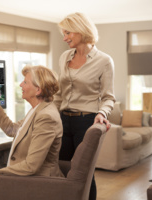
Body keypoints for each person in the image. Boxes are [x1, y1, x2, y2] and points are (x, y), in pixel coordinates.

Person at [0, 65, 64, 200]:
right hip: (27, 177)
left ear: (38, 90)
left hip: (39, 183)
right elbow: (12, 129)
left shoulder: (46, 117)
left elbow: (32, 165)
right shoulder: (38, 110)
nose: (21, 85)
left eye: (25, 82)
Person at [54, 12, 116, 200]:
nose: (64, 38)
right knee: (61, 167)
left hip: (87, 121)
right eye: (63, 34)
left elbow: (108, 97)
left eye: (68, 33)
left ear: (81, 30)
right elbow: (59, 93)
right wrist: (50, 113)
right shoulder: (65, 56)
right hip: (63, 120)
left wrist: (102, 113)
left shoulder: (104, 61)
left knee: (84, 171)